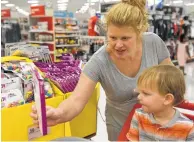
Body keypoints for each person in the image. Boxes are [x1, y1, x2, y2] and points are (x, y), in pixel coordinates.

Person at [30, 0, 173, 140]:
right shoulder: (99, 61)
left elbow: (172, 81)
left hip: (158, 125)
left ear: (139, 33)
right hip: (121, 129)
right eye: (112, 37)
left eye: (125, 38)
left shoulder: (153, 43)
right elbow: (76, 100)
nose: (118, 44)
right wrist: (59, 113)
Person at [126, 65, 194, 141]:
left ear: (167, 99)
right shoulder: (139, 115)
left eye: (145, 93)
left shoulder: (188, 128)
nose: (138, 97)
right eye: (139, 92)